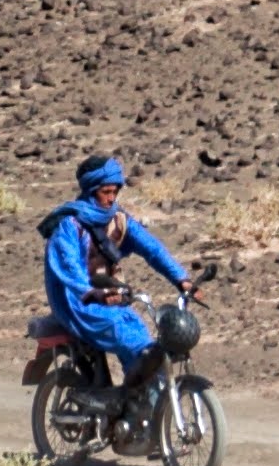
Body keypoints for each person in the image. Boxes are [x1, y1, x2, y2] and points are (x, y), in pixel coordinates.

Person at [42, 153, 190, 403]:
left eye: (115, 192)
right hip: (79, 304)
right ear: (91, 190)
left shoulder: (118, 220)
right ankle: (123, 399)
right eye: (105, 192)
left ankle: (139, 405)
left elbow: (151, 249)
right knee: (130, 340)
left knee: (145, 343)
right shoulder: (69, 225)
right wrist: (92, 292)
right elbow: (70, 268)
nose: (111, 198)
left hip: (111, 299)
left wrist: (181, 279)